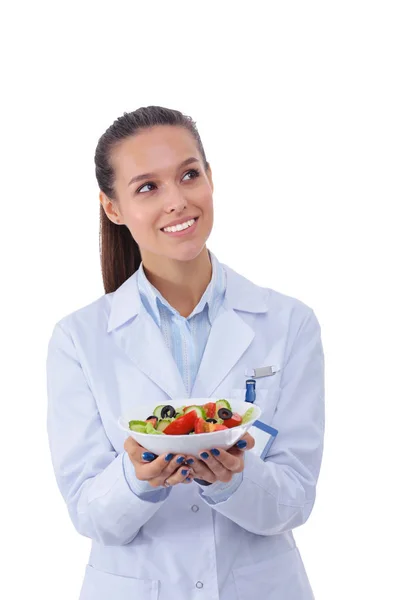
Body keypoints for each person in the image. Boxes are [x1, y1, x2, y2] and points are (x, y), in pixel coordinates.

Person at [46, 105, 325, 600]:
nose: (177, 201)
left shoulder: (289, 324)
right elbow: (89, 513)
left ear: (210, 179)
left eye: (189, 175)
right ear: (113, 208)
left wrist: (236, 480)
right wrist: (136, 480)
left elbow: (296, 499)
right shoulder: (79, 339)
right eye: (147, 187)